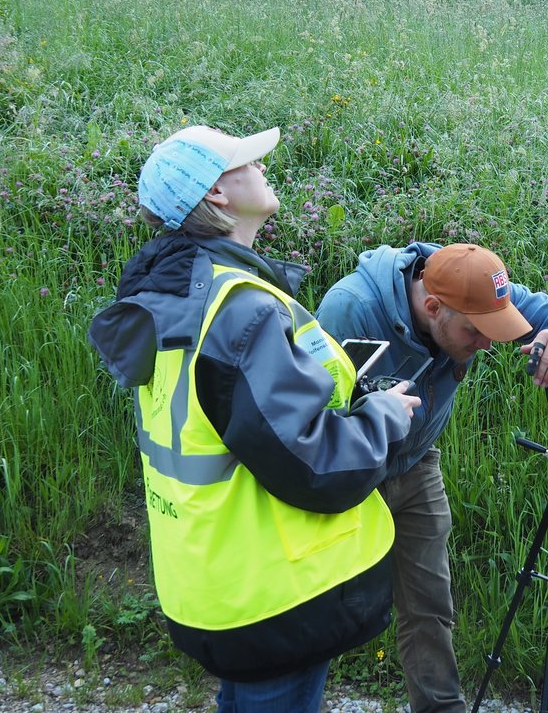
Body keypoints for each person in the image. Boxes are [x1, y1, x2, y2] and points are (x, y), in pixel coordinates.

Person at [88, 125, 421, 713]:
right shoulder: (240, 306)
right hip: (274, 590)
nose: (263, 167)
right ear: (216, 194)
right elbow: (312, 460)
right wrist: (383, 418)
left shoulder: (171, 294)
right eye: (247, 161)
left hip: (210, 579)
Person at [315, 241, 548, 713]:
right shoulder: (352, 309)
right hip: (348, 474)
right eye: (476, 333)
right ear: (433, 308)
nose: (488, 344)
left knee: (429, 604)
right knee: (320, 607)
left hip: (415, 466)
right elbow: (311, 422)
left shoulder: (478, 290)